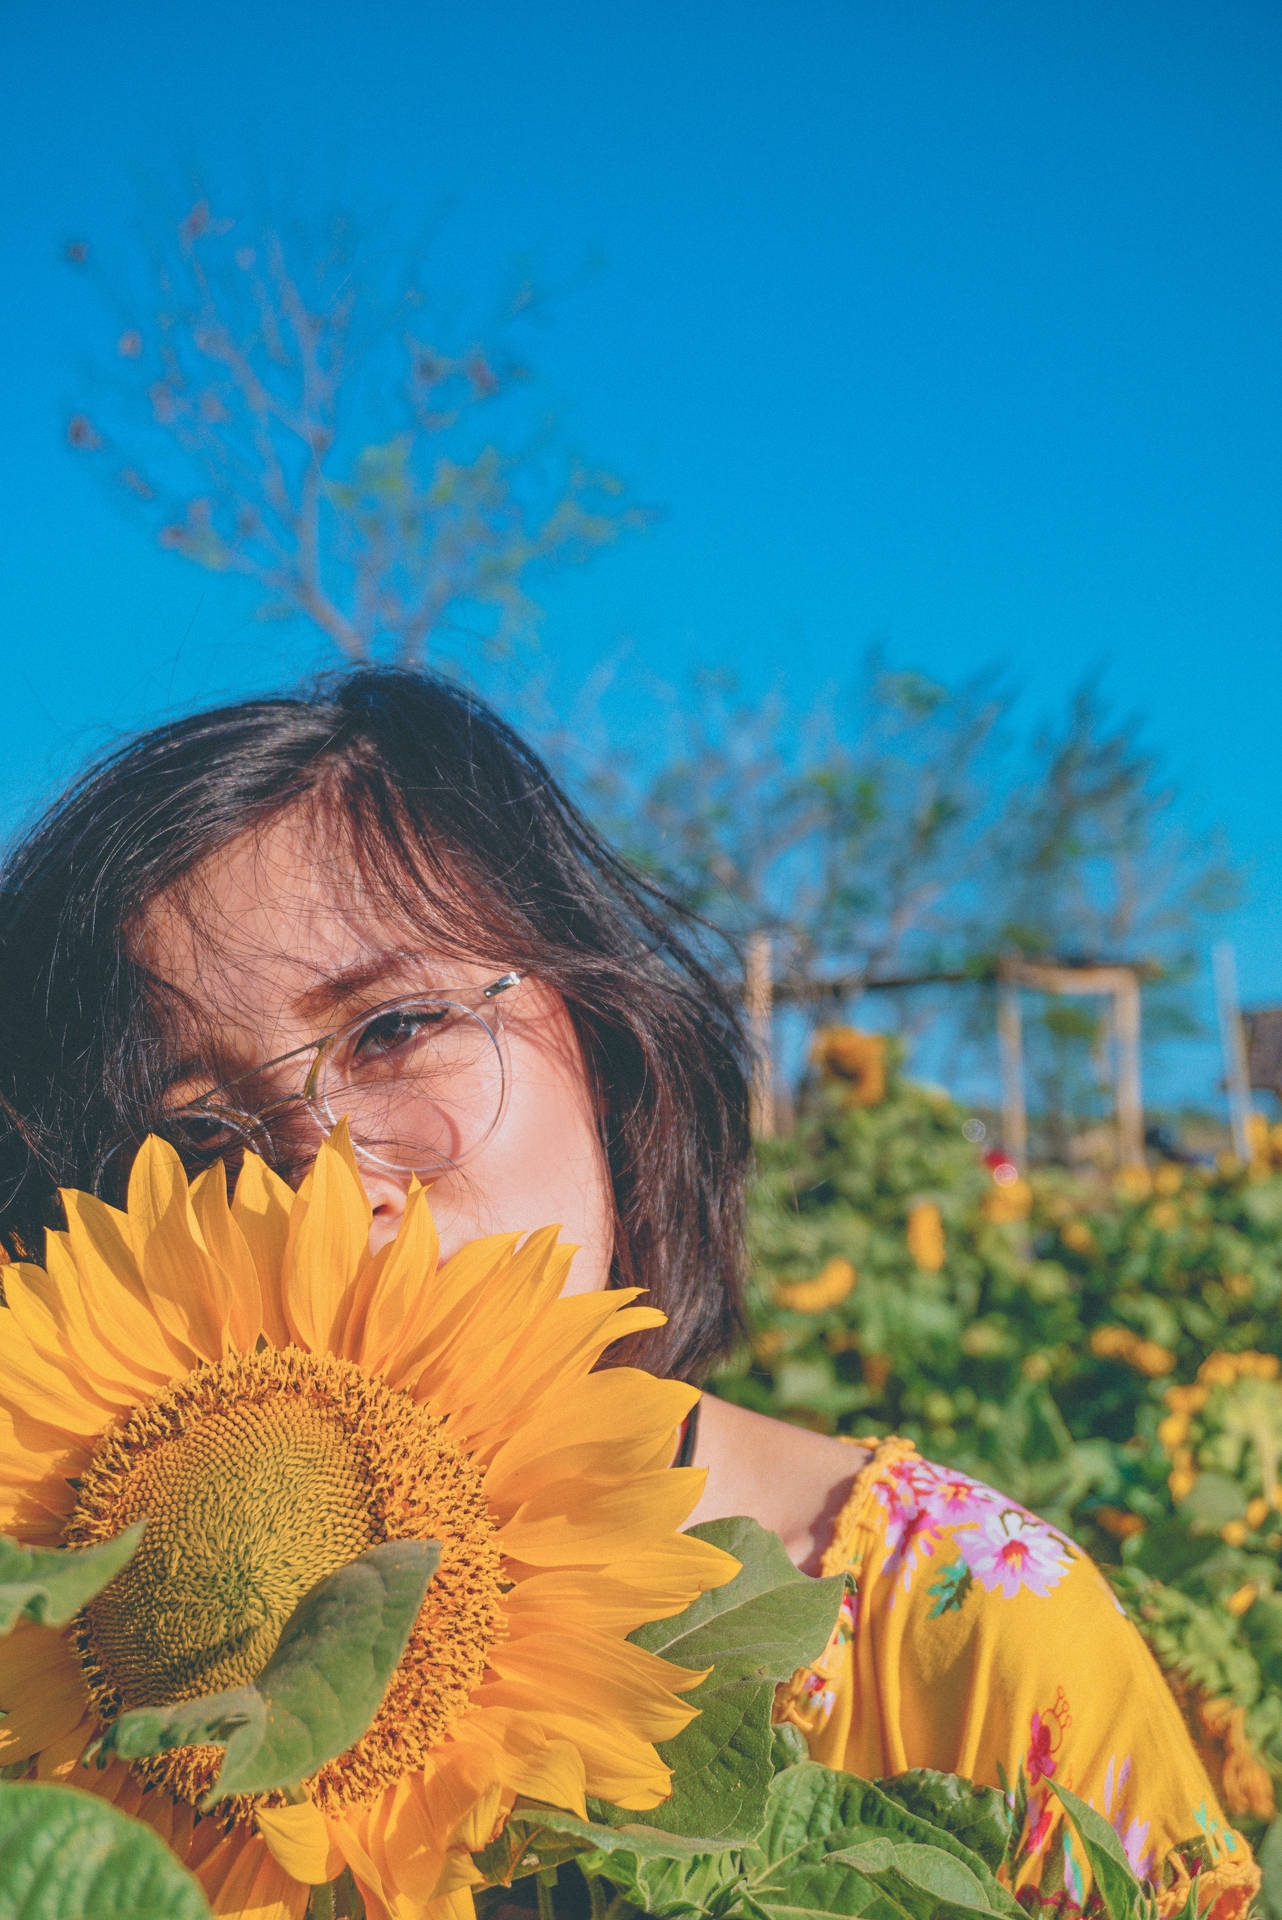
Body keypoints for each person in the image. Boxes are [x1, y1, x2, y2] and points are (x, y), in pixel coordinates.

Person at [0, 668, 1259, 1918]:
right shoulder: (56, 1663)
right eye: (202, 1137)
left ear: (601, 1037)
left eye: (393, 1029)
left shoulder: (962, 1634)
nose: (324, 1180)